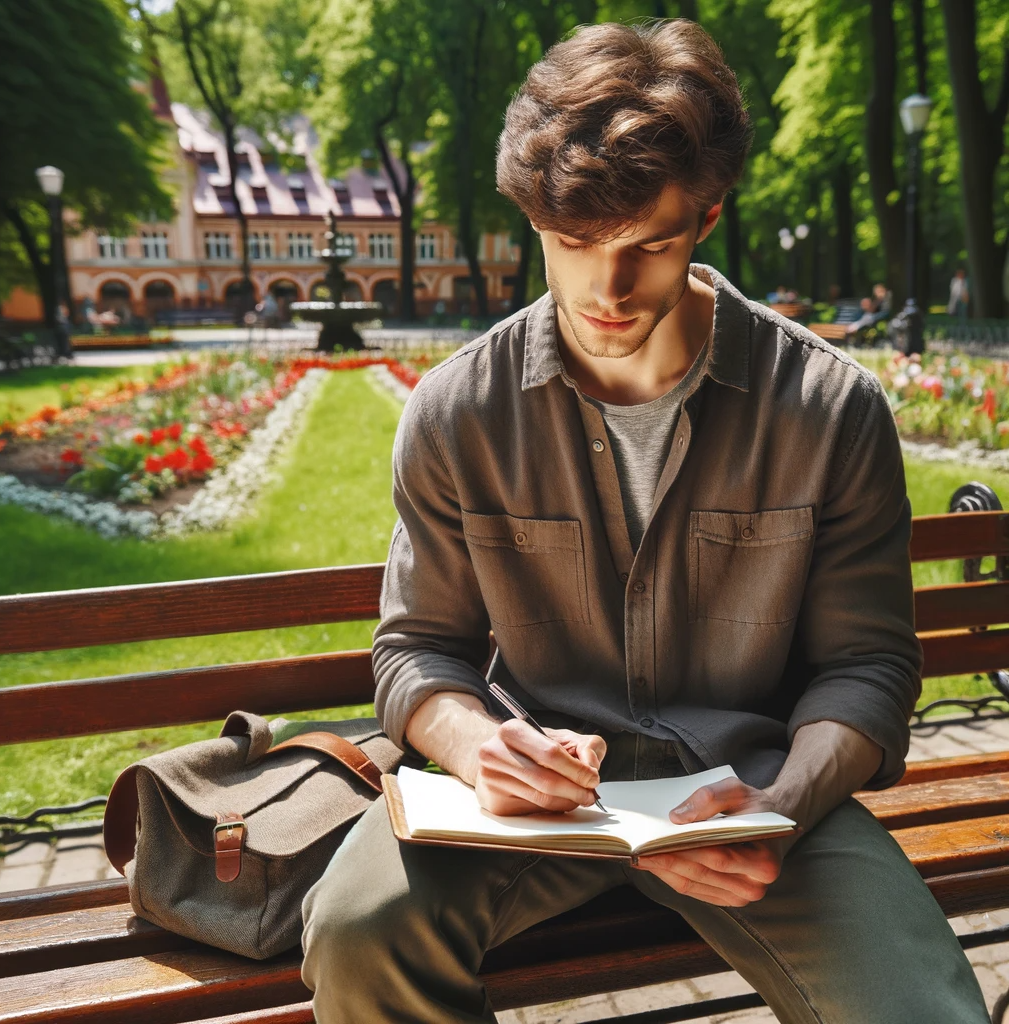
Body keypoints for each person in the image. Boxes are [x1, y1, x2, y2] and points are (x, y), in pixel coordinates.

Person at [301, 21, 989, 1024]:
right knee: (357, 931)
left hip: (754, 788)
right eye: (573, 244)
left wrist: (785, 804)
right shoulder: (458, 411)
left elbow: (869, 668)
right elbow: (418, 651)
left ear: (707, 216)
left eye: (649, 245)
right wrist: (474, 745)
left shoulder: (829, 409)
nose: (607, 290)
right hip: (527, 806)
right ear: (531, 217)